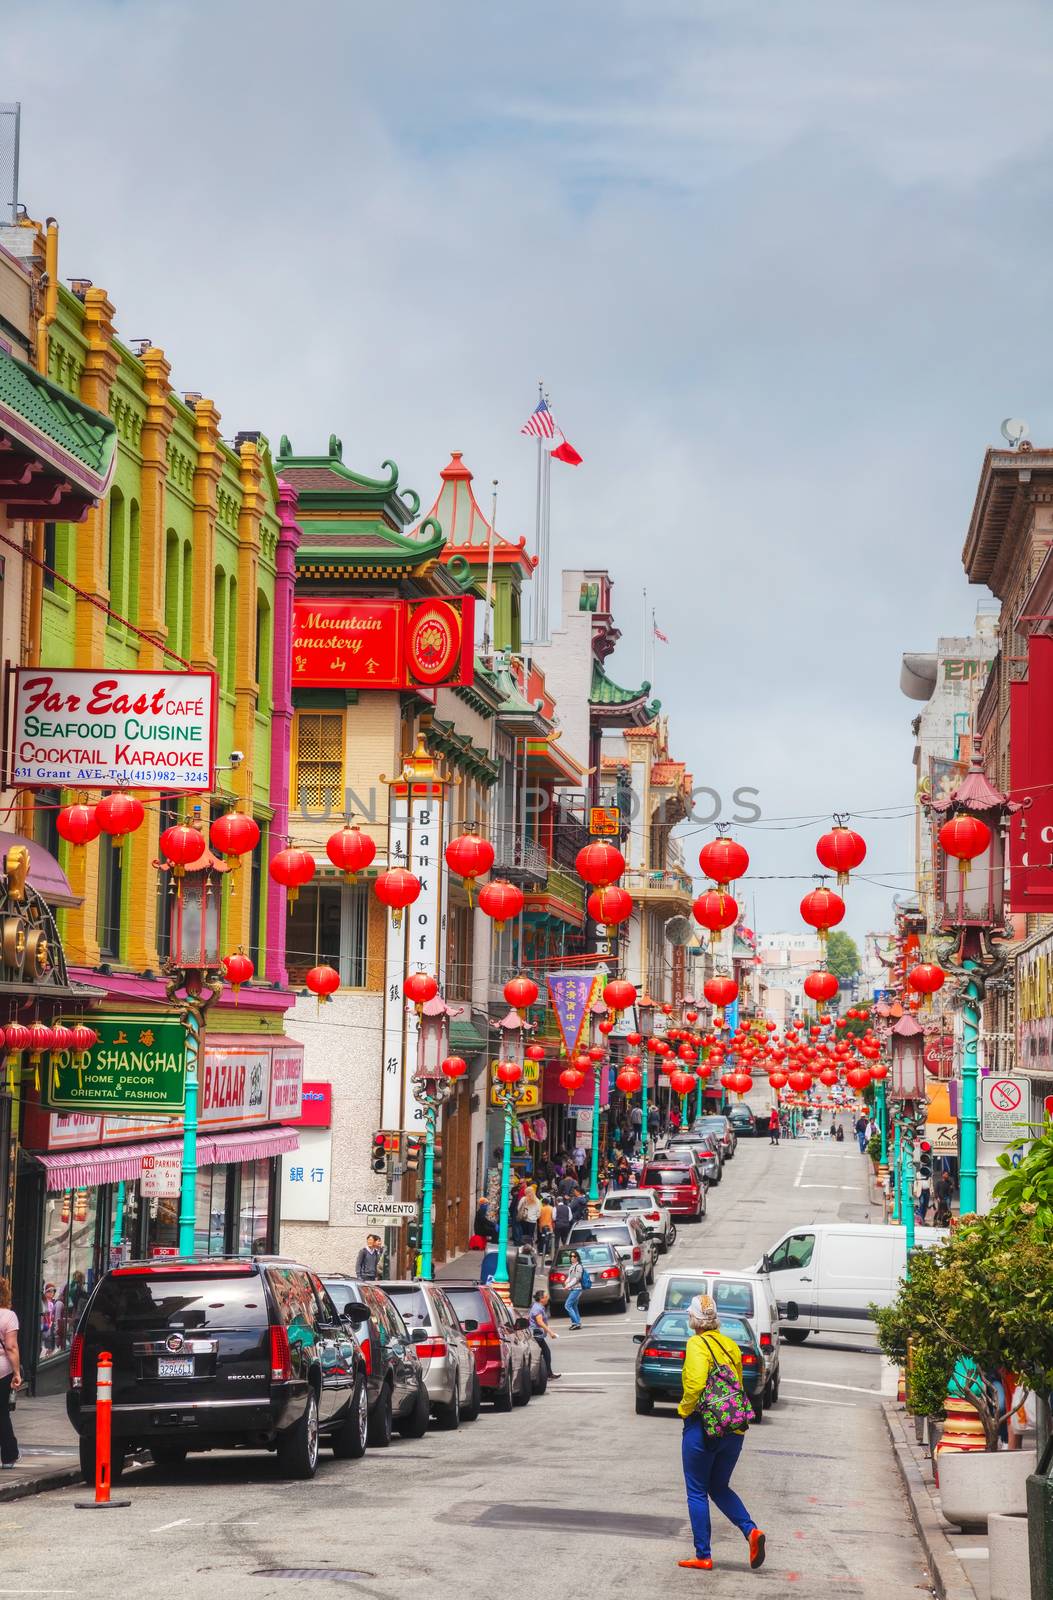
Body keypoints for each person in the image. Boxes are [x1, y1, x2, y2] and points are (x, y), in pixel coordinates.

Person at [677, 1294, 765, 1572]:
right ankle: (751, 1531)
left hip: (704, 1425)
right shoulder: (730, 1345)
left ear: (693, 1319)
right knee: (719, 1486)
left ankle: (703, 1554)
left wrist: (683, 1409)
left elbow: (695, 1383)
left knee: (697, 1491)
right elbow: (736, 1381)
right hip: (733, 1426)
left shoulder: (696, 1343)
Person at [0, 1276, 21, 1469]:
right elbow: (11, 1347)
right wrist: (17, 1373)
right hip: (2, 1370)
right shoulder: (8, 1316)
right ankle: (8, 1455)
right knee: (2, 1412)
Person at [528, 1289, 561, 1379]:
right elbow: (540, 1322)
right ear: (541, 1299)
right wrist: (551, 1332)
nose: (547, 1299)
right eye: (546, 1297)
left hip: (537, 1335)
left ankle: (546, 1373)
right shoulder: (538, 1308)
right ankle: (546, 1373)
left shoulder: (538, 1306)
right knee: (545, 1353)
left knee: (544, 1353)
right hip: (537, 1335)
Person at [563, 1251, 585, 1330]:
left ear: (577, 1257)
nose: (572, 1258)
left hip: (577, 1289)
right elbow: (570, 1277)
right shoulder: (572, 1266)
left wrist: (568, 1285)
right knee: (574, 1306)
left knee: (567, 1305)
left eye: (574, 1256)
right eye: (571, 1256)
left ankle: (575, 1323)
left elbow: (577, 1278)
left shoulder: (579, 1266)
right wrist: (566, 1282)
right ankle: (577, 1322)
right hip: (573, 1288)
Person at [537, 1195, 555, 1260]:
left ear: (543, 1203)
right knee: (548, 1239)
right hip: (549, 1226)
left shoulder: (541, 1208)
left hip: (542, 1225)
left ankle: (541, 1251)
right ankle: (547, 1252)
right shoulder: (552, 1208)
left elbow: (538, 1216)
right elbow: (553, 1217)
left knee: (542, 1238)